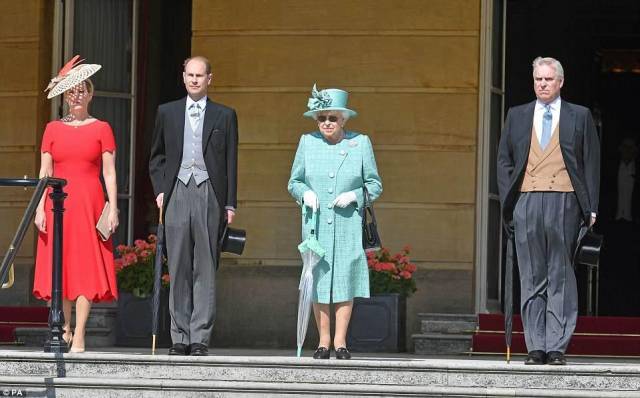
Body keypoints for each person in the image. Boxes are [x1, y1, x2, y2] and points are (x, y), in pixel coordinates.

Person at [497, 57, 600, 365]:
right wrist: (508, 201)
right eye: (538, 79)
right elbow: (504, 161)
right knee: (531, 275)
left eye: (548, 79)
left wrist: (591, 207)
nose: (542, 84)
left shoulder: (579, 115)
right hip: (526, 201)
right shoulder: (517, 115)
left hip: (565, 200)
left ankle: (556, 346)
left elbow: (591, 162)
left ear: (560, 82)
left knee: (561, 275)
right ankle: (535, 346)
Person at [149, 56, 238, 356]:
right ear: (183, 76)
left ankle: (199, 336)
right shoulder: (167, 112)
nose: (195, 80)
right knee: (177, 265)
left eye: (200, 75)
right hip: (176, 190)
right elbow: (156, 157)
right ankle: (179, 336)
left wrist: (230, 203)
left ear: (210, 78)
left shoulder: (225, 115)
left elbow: (230, 163)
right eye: (190, 75)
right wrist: (161, 189)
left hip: (209, 191)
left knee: (205, 266)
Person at [288, 84, 382, 359]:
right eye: (321, 118)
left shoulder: (360, 143)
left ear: (344, 119)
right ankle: (323, 341)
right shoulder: (307, 142)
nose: (327, 123)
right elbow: (294, 182)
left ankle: (340, 342)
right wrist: (304, 193)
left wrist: (354, 196)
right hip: (315, 224)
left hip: (347, 224)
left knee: (344, 280)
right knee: (317, 281)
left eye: (332, 118)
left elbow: (374, 185)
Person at [33, 56, 119, 353]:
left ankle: (80, 333)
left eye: (82, 90)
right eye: (72, 91)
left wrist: (114, 208)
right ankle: (64, 329)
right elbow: (45, 172)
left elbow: (109, 171)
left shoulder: (102, 128)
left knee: (84, 268)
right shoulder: (52, 129)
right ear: (64, 96)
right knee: (59, 266)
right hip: (57, 202)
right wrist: (37, 207)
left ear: (91, 93)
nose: (77, 95)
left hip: (89, 203)